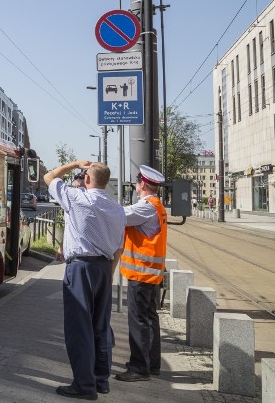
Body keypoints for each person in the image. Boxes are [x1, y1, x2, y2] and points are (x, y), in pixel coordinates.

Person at [45, 160, 126, 400]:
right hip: (103, 267)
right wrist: (109, 271)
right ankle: (101, 380)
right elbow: (120, 246)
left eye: (84, 174)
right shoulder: (117, 207)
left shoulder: (78, 199)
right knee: (100, 326)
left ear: (88, 179)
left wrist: (74, 164)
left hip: (80, 269)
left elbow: (49, 177)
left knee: (79, 329)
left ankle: (84, 385)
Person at [116, 165, 168, 382]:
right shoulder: (157, 206)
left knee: (138, 321)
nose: (135, 187)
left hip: (141, 274)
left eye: (137, 183)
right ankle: (152, 364)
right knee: (149, 319)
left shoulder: (145, 207)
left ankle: (139, 368)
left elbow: (120, 216)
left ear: (143, 184)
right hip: (150, 274)